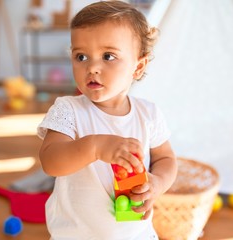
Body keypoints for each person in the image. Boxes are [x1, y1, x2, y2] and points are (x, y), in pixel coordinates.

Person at [37, 1, 177, 239]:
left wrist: (157, 184)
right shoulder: (69, 109)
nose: (92, 67)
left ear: (138, 67)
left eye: (108, 56)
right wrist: (95, 147)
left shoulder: (148, 114)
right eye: (81, 56)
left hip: (136, 233)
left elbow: (165, 158)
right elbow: (50, 161)